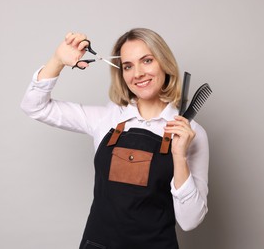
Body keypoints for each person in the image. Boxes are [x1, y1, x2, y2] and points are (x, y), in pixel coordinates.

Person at [21, 28, 209, 249]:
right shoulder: (106, 118)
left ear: (164, 64)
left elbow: (189, 221)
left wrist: (179, 156)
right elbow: (34, 106)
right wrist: (57, 61)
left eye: (147, 61)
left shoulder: (191, 133)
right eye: (128, 66)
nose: (137, 73)